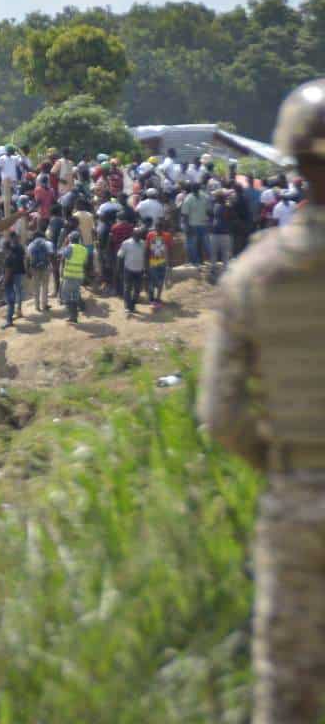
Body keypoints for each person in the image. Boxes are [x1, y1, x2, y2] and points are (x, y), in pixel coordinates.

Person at [198, 77, 325, 724]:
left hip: (296, 495)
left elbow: (220, 415)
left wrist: (282, 464)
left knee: (287, 689)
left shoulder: (255, 274)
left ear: (292, 161)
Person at [179, 181, 211, 269]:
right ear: (192, 189)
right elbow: (185, 215)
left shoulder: (205, 197)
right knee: (192, 246)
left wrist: (208, 222)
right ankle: (194, 263)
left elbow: (209, 211)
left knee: (203, 245)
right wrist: (187, 227)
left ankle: (201, 261)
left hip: (203, 225)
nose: (196, 189)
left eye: (197, 188)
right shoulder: (188, 199)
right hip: (192, 225)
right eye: (194, 188)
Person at [116, 226, 147, 315]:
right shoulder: (126, 243)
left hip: (139, 270)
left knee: (137, 290)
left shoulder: (143, 244)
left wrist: (145, 269)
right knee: (127, 288)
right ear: (132, 234)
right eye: (136, 234)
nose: (138, 236)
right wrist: (119, 269)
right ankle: (128, 307)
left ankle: (132, 305)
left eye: (139, 235)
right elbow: (120, 257)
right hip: (128, 269)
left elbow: (145, 257)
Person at [60, 232, 88, 323]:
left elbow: (62, 256)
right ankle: (75, 315)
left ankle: (73, 316)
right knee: (75, 295)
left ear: (70, 239)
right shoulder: (84, 249)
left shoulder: (69, 247)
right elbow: (85, 262)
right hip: (79, 275)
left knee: (66, 296)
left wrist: (65, 244)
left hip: (69, 275)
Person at [144, 222, 173, 307]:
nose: (158, 230)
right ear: (155, 228)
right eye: (157, 228)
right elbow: (147, 249)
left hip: (162, 262)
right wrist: (146, 263)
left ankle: (157, 298)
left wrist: (169, 263)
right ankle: (152, 298)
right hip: (153, 262)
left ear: (162, 228)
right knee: (153, 281)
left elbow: (170, 250)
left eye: (160, 228)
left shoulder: (167, 236)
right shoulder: (150, 235)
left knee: (160, 281)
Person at [208, 189, 234, 281]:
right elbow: (229, 216)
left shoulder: (215, 206)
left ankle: (213, 272)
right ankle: (226, 274)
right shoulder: (227, 207)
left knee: (214, 254)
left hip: (215, 233)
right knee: (225, 255)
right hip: (225, 233)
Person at [26, 230, 53, 313]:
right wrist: (49, 264)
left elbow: (27, 258)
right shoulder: (47, 243)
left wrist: (28, 270)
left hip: (34, 268)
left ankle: (37, 306)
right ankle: (44, 305)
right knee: (45, 286)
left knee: (36, 287)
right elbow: (51, 254)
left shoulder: (30, 245)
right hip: (45, 267)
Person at [1, 234, 26, 326]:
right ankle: (13, 314)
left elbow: (7, 271)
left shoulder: (9, 257)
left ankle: (10, 318)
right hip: (16, 274)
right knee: (14, 295)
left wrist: (4, 281)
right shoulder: (14, 253)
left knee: (11, 298)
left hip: (13, 277)